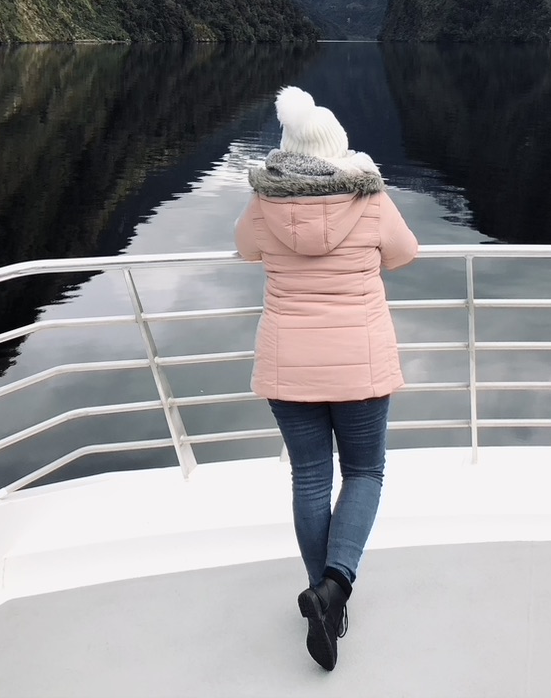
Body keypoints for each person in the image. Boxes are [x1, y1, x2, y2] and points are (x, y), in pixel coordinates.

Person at [234, 85, 418, 672]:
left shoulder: (264, 201)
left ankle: (324, 599)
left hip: (289, 365)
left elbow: (245, 252)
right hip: (360, 360)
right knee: (364, 471)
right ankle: (335, 587)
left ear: (289, 148)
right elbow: (405, 254)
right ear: (340, 148)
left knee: (311, 479)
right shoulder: (369, 197)